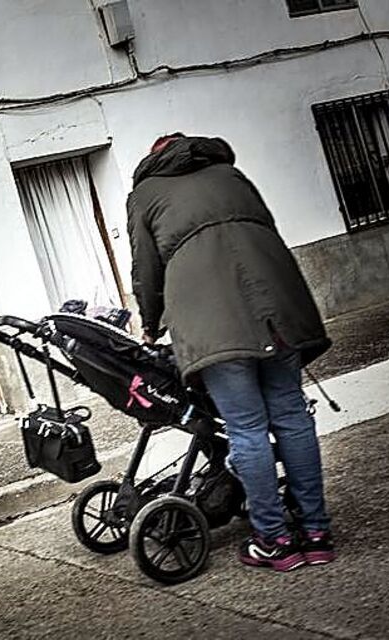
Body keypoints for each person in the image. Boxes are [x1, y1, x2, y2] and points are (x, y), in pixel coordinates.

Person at [126, 133, 335, 572]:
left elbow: (147, 269)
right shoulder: (231, 174)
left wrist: (149, 324)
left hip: (211, 321)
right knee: (292, 416)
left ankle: (274, 541)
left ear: (153, 159)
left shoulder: (145, 194)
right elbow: (267, 230)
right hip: (277, 307)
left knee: (247, 429)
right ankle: (316, 533)